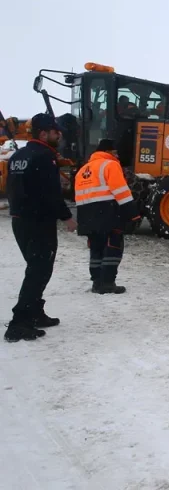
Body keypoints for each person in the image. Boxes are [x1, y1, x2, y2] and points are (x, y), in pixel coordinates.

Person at [4, 113, 78, 342]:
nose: (60, 135)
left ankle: (35, 311)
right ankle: (19, 323)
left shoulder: (18, 155)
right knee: (39, 271)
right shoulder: (45, 156)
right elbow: (51, 193)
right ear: (44, 134)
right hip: (38, 223)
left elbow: (11, 187)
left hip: (20, 221)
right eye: (56, 132)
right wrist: (67, 217)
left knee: (36, 268)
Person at [74, 138, 140, 294]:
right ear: (108, 151)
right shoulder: (110, 165)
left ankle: (97, 282)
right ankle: (107, 282)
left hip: (86, 214)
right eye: (115, 152)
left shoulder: (83, 169)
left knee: (96, 248)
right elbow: (120, 190)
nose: (117, 156)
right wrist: (132, 213)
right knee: (113, 246)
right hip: (107, 212)